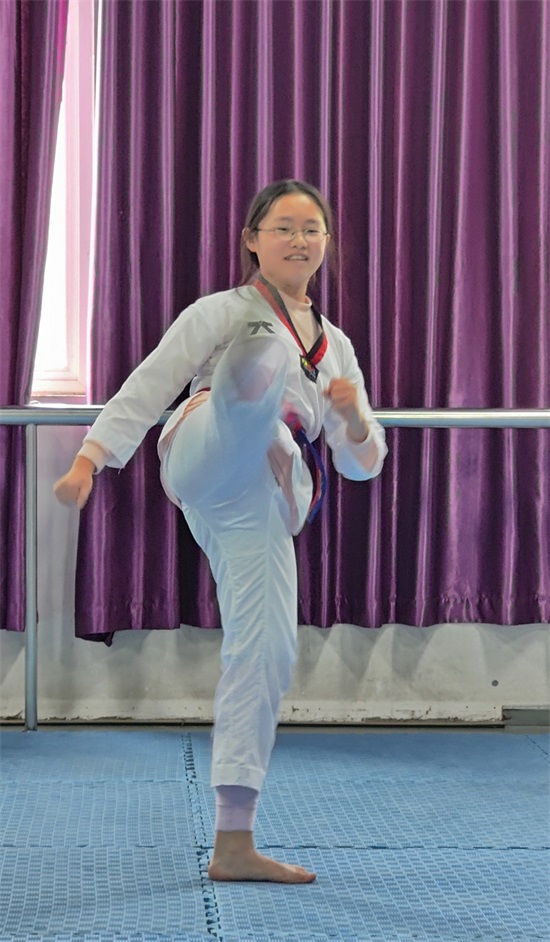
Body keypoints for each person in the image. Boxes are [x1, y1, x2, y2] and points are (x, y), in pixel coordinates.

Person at [54, 179, 387, 883]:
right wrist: (90, 459)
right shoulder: (221, 311)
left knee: (268, 652)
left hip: (261, 500)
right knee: (254, 363)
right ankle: (249, 399)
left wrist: (354, 419)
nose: (299, 240)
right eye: (283, 227)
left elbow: (362, 466)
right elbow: (151, 381)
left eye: (312, 229)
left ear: (327, 244)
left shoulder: (337, 348)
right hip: (203, 446)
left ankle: (234, 841)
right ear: (252, 240)